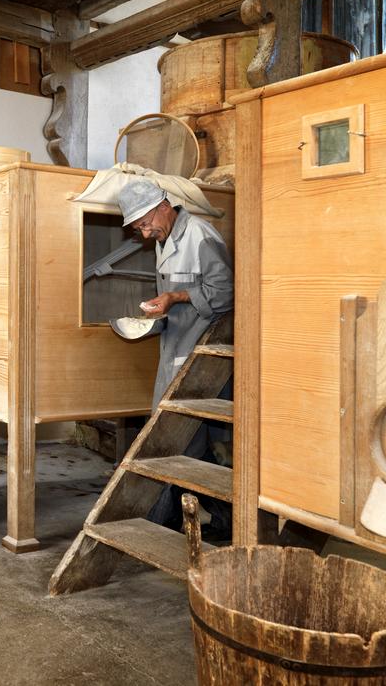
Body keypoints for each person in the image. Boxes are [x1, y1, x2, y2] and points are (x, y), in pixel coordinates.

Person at [117, 179, 234, 538]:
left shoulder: (200, 236)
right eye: (138, 228)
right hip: (177, 347)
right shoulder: (164, 239)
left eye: (145, 223)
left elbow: (226, 293)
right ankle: (217, 518)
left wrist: (176, 297)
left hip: (201, 355)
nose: (144, 232)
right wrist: (158, 313)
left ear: (164, 207)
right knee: (185, 441)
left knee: (179, 441)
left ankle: (161, 520)